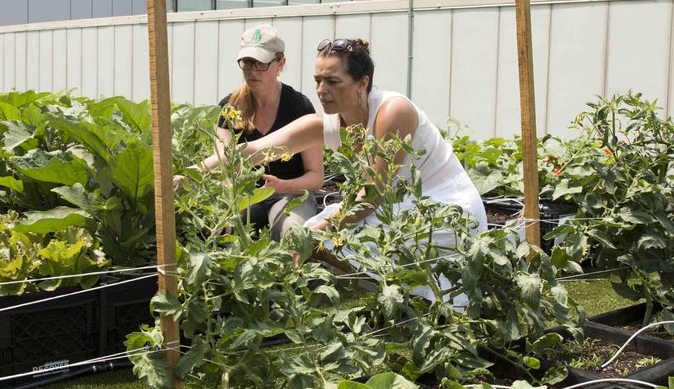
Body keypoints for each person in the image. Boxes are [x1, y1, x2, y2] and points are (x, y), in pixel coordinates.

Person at [196, 36, 486, 241]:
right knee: (321, 237)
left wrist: (318, 231)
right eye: (317, 80)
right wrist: (191, 175)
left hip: (446, 210)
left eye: (332, 81)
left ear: (362, 83)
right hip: (401, 206)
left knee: (326, 238)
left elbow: (371, 197)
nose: (321, 90)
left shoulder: (393, 112)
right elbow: (252, 151)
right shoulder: (330, 122)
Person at [187, 23, 324, 241]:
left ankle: (293, 275)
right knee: (220, 231)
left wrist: (283, 185)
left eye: (261, 63)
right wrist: (228, 204)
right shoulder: (230, 106)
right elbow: (226, 165)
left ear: (280, 63)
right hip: (246, 195)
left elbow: (316, 177)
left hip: (291, 193)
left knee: (293, 233)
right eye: (247, 62)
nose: (252, 71)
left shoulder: (299, 106)